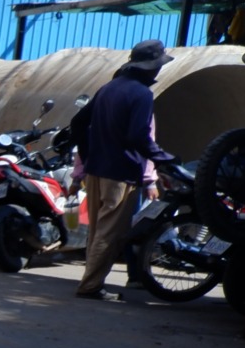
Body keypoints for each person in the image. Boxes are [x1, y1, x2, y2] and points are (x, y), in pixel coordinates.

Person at [76, 39, 177, 302]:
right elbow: (138, 136)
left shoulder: (108, 88)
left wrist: (88, 157)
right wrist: (165, 159)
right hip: (121, 173)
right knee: (110, 234)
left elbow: (77, 123)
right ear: (151, 69)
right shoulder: (142, 94)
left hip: (97, 170)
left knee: (98, 231)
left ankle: (90, 281)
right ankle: (91, 286)